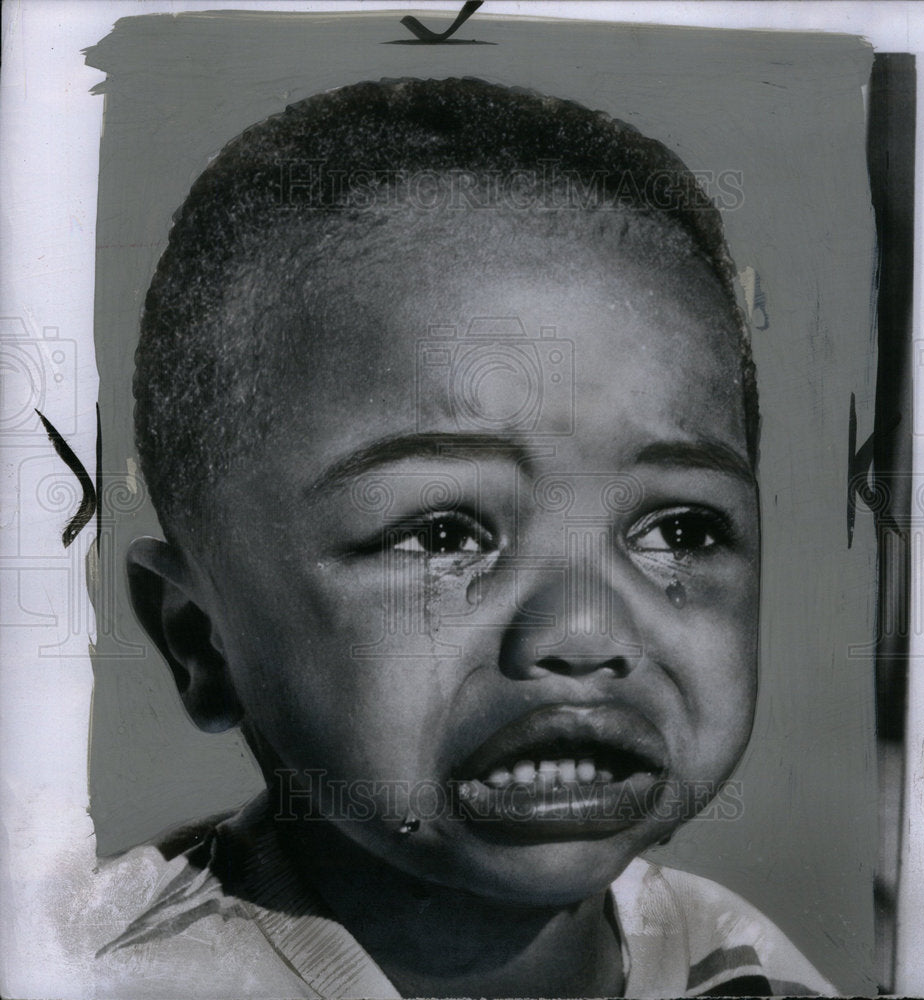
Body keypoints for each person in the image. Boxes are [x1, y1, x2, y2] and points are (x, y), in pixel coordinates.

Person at [96, 77, 837, 998]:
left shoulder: (747, 969)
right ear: (198, 638)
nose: (583, 633)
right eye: (444, 533)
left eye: (678, 528)